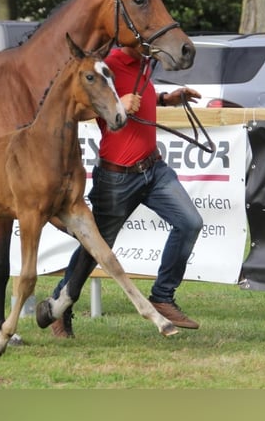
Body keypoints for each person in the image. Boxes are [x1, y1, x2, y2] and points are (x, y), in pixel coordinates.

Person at [48, 44, 204, 337]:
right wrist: (119, 102)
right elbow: (74, 108)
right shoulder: (106, 65)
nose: (149, 39)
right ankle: (61, 305)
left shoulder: (145, 62)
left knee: (190, 223)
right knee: (95, 247)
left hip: (154, 169)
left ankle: (163, 296)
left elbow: (142, 99)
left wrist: (167, 99)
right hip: (117, 177)